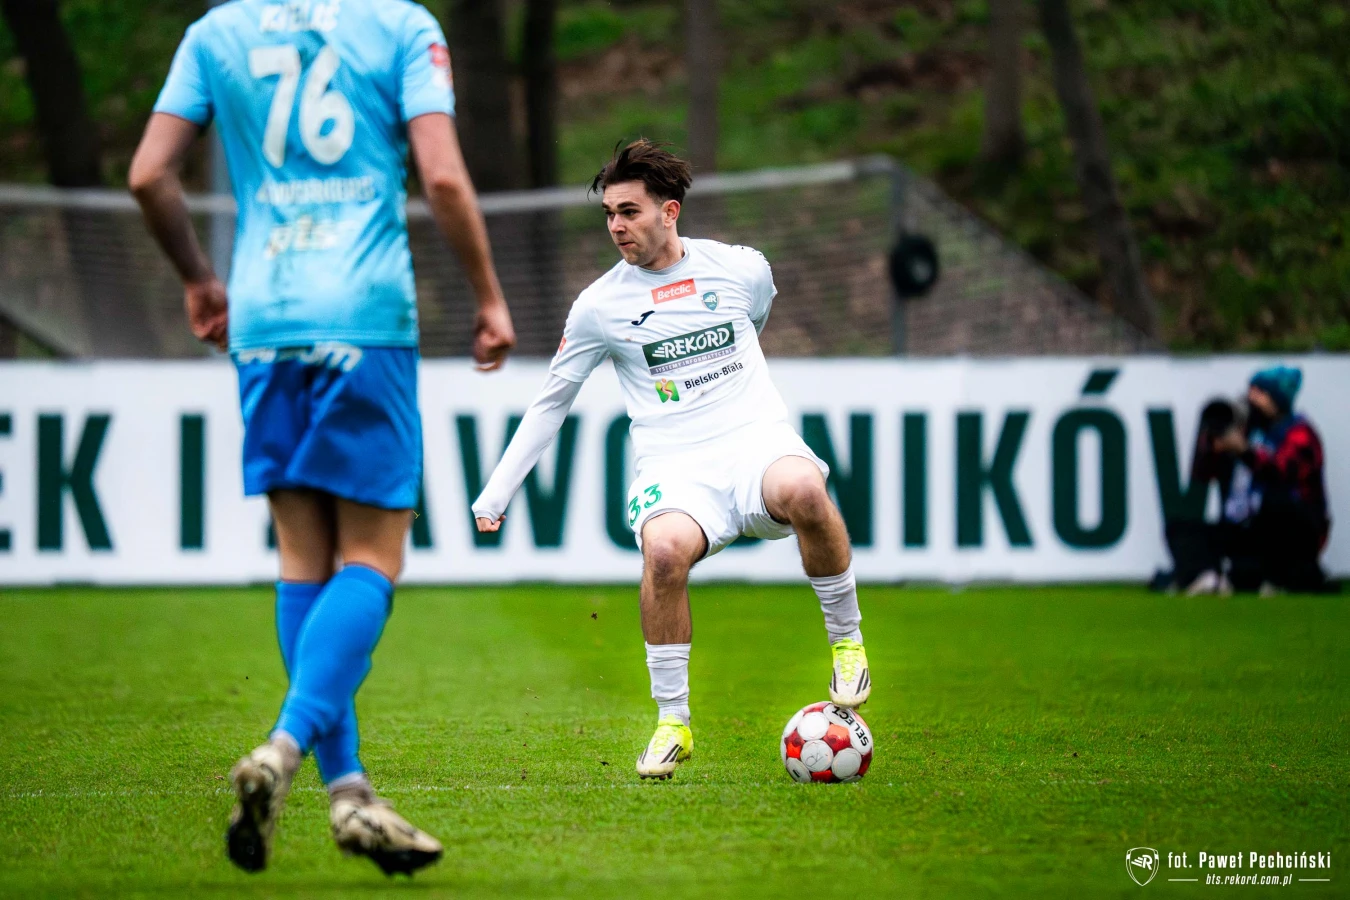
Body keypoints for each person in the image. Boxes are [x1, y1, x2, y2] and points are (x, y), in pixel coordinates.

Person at [129, 0, 515, 875]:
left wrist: (199, 278)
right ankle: (283, 748)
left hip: (264, 319)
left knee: (302, 560)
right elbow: (443, 179)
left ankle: (348, 794)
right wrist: (489, 296)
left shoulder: (216, 31)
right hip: (362, 317)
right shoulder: (402, 25)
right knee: (374, 557)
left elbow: (148, 174)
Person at [471, 140, 870, 781]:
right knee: (662, 553)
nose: (616, 226)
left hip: (753, 441)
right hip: (675, 466)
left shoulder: (740, 268)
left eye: (628, 211)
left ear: (670, 211)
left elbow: (755, 317)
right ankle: (673, 722)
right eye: (609, 214)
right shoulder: (599, 306)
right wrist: (496, 495)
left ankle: (847, 643)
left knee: (803, 488)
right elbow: (552, 402)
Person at [1165, 366, 1331, 594]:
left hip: (1291, 531)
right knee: (1179, 527)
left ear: (1278, 399)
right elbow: (1200, 477)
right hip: (1246, 529)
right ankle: (1209, 577)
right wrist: (1211, 443)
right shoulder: (1245, 431)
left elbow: (1280, 473)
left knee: (1276, 505)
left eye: (1260, 393)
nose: (1251, 398)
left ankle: (1283, 576)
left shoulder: (1299, 433)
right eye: (1250, 391)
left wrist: (1244, 451)